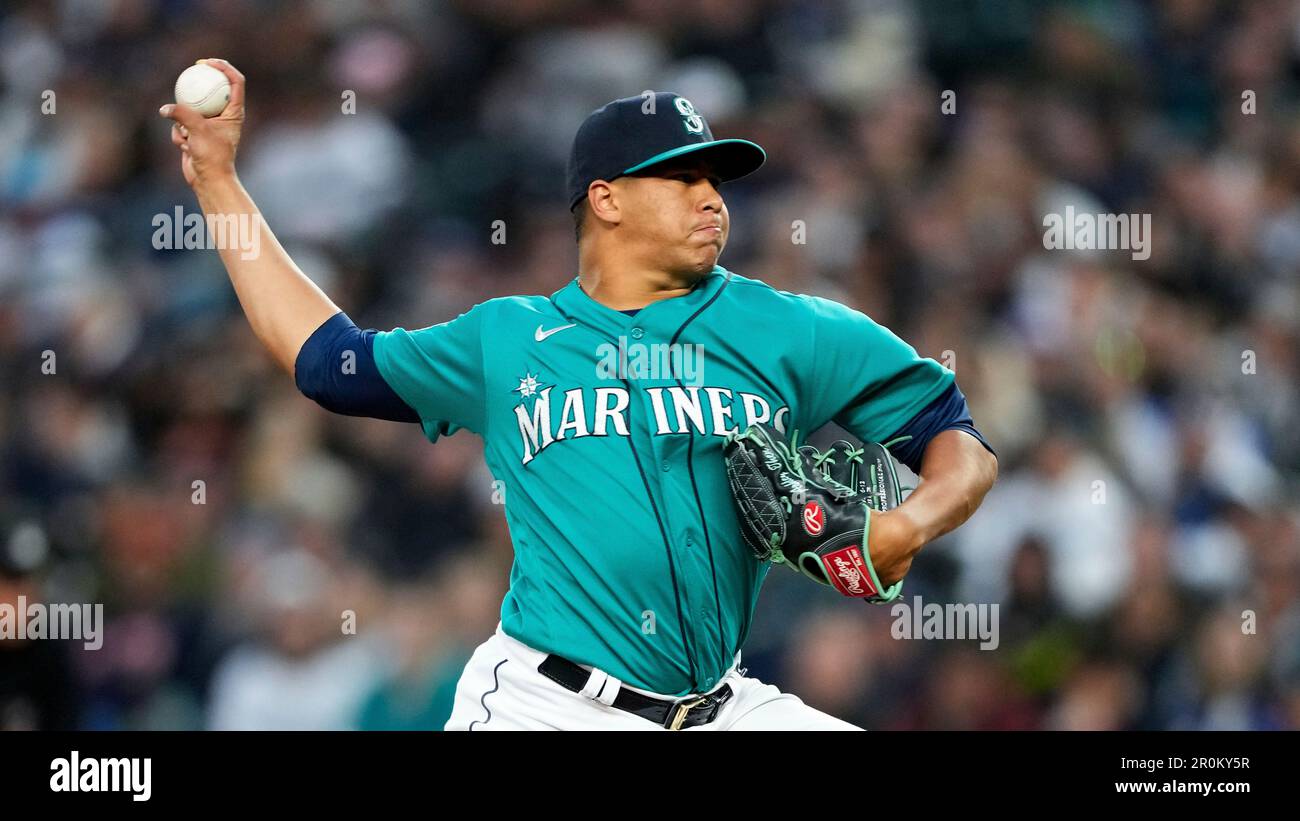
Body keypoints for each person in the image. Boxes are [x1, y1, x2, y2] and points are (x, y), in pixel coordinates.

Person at [161, 60, 998, 730]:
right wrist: (217, 182)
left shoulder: (789, 327)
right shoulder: (506, 339)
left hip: (722, 704)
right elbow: (326, 362)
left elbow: (953, 435)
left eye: (716, 178)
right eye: (680, 178)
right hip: (544, 706)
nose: (711, 196)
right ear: (605, 198)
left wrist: (904, 525)